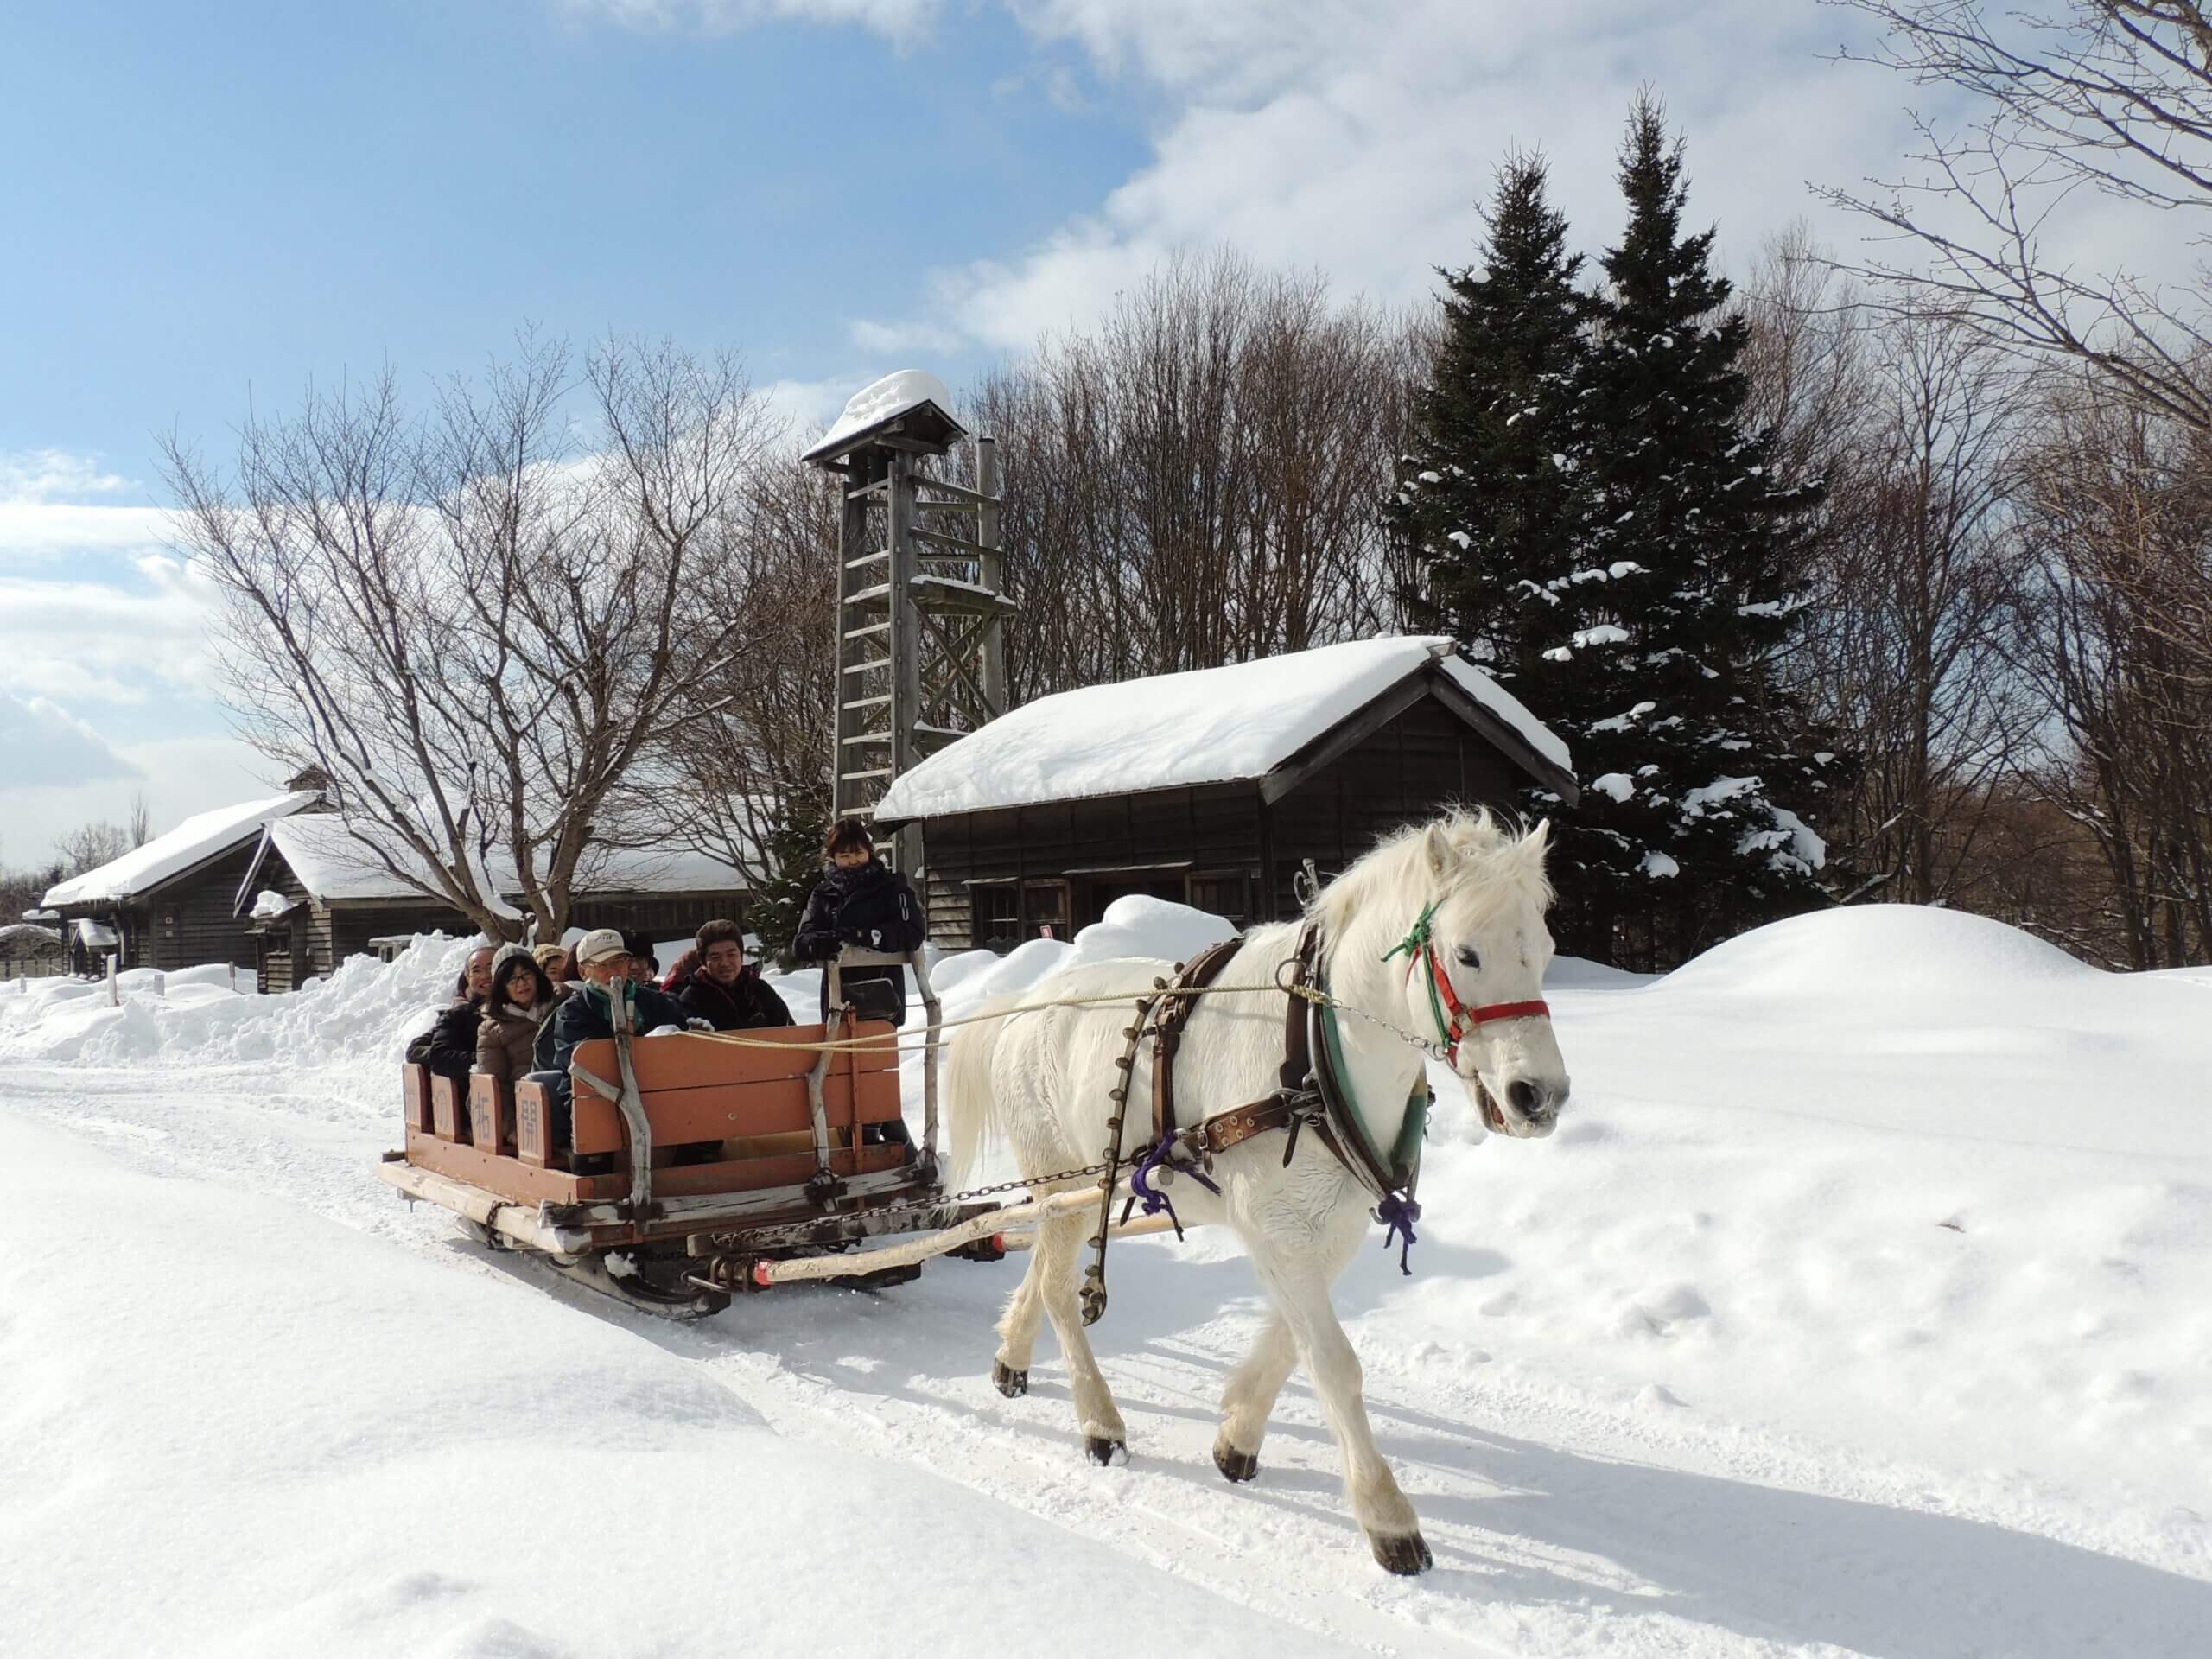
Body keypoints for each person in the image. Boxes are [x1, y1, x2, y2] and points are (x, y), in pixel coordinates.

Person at [792, 818, 924, 1021]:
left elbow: (912, 932)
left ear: (869, 852)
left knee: (878, 1050)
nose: (853, 861)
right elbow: (802, 942)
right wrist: (826, 941)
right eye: (845, 855)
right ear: (833, 857)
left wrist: (867, 936)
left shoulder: (891, 887)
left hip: (883, 996)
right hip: (837, 999)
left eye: (858, 853)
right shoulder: (823, 894)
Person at [671, 918, 794, 1032]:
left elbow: (791, 1033)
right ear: (703, 961)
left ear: (741, 956)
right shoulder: (691, 1000)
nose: (725, 963)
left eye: (731, 954)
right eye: (715, 957)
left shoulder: (759, 990)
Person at [409, 943, 496, 1083]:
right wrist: (480, 1058)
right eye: (476, 970)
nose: (485, 975)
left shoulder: (520, 1004)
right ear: (468, 978)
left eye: (491, 967)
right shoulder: (460, 1015)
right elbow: (418, 1050)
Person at [474, 944, 557, 1083]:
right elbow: (497, 1085)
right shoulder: (491, 1030)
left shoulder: (562, 1003)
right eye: (512, 979)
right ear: (501, 986)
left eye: (526, 974)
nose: (522, 983)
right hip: (525, 1099)